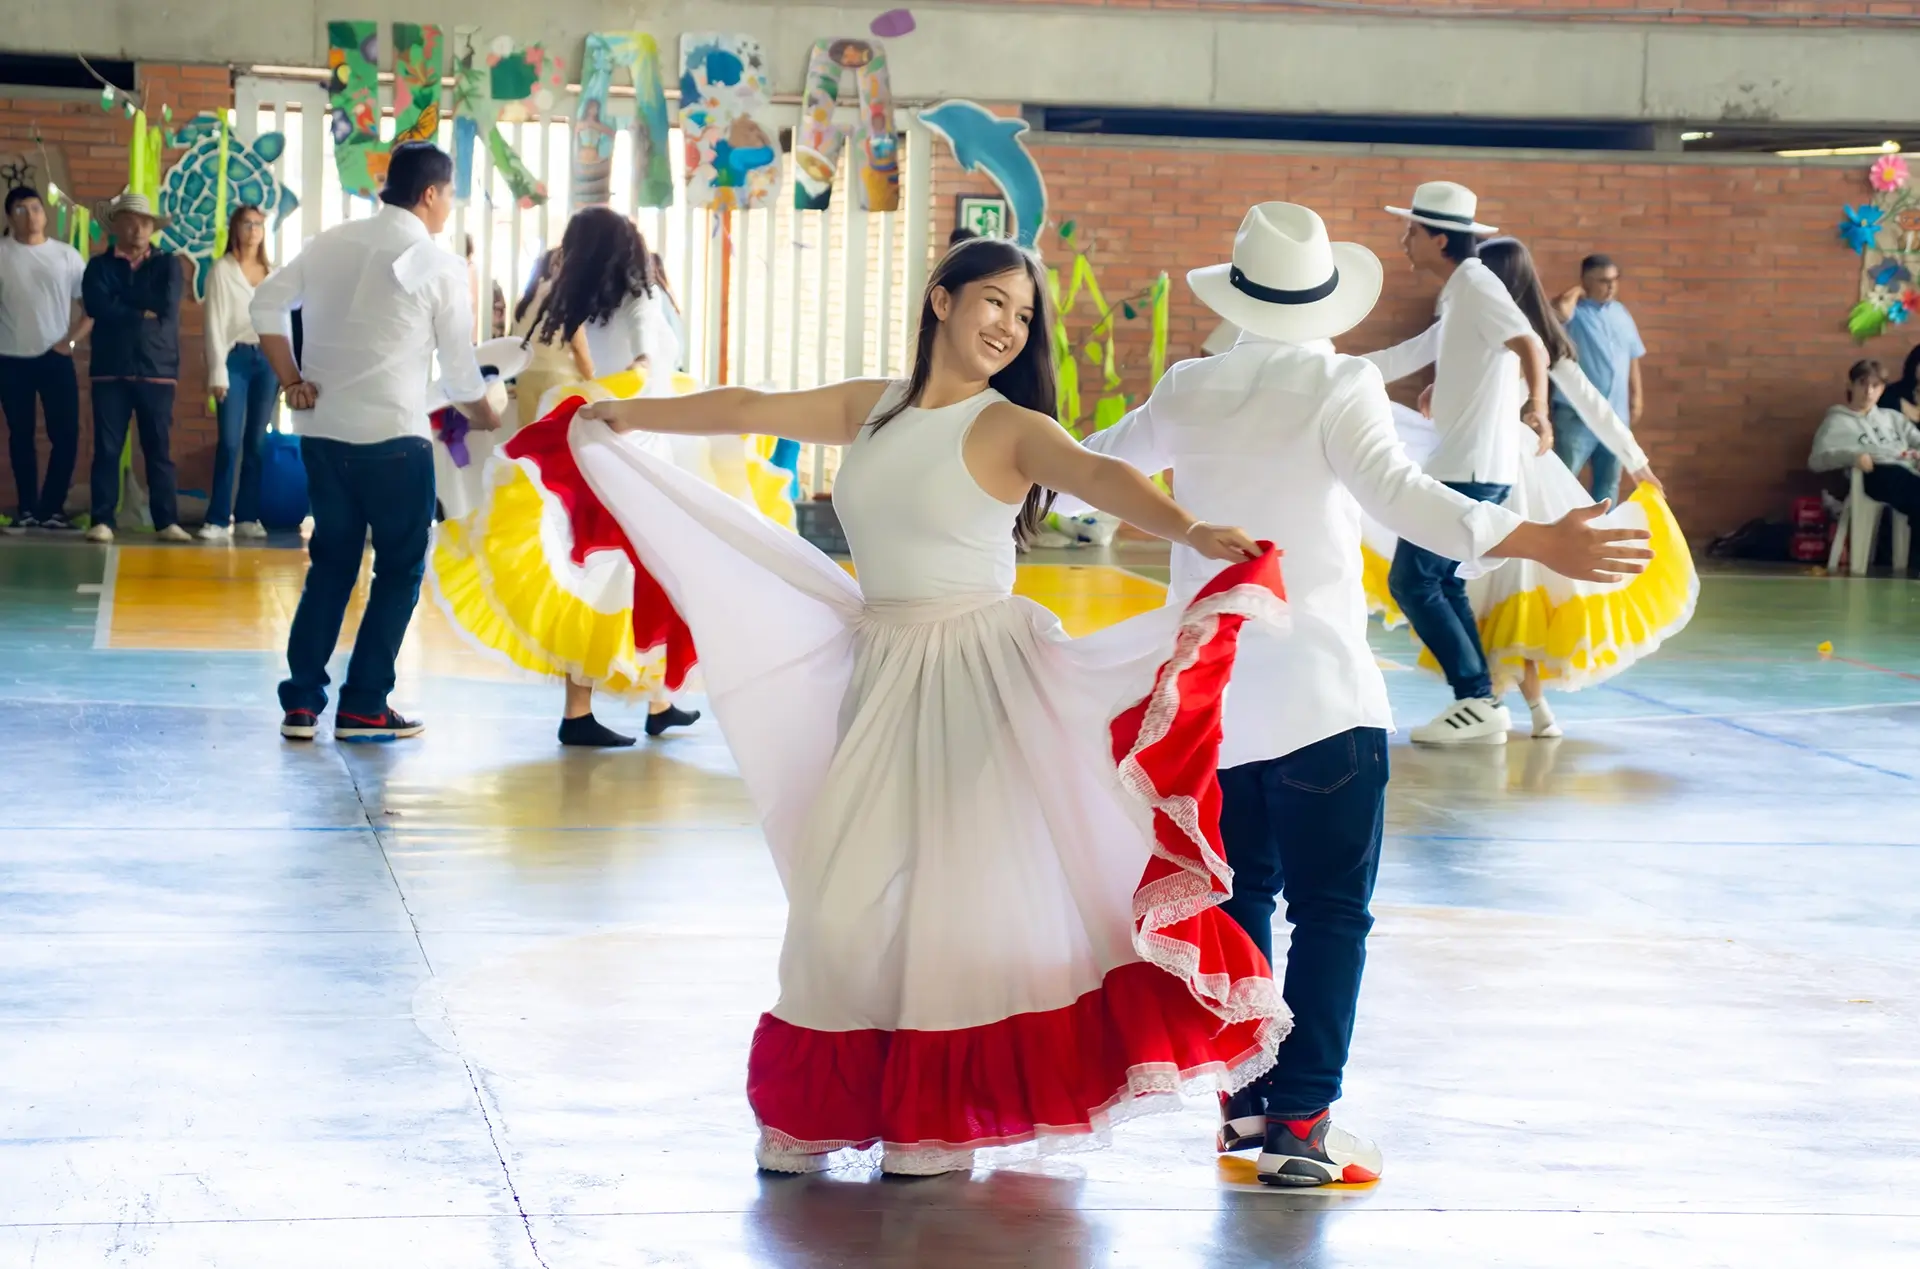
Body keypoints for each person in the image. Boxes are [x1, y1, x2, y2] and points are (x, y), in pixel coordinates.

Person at [567, 237, 1288, 1176]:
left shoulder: (1010, 426)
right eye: (994, 302)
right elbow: (747, 407)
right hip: (883, 662)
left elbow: (1100, 475)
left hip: (979, 674)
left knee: (950, 895)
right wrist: (624, 411)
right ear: (941, 300)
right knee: (842, 890)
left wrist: (1189, 527)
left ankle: (940, 1116)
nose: (1008, 327)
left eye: (1023, 316)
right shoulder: (873, 406)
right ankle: (826, 1104)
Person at [1060, 203, 1652, 1186]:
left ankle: (1245, 1108)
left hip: (1212, 708)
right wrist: (1538, 538)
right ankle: (1303, 1126)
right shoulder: (1339, 383)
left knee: (1243, 897)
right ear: (1321, 299)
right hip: (1323, 702)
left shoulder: (1188, 385)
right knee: (1333, 913)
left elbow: (1084, 478)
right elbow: (1403, 500)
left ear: (1238, 294)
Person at [1362, 237, 1695, 740]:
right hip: (1487, 463)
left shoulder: (1523, 334)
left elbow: (1592, 404)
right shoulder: (1474, 324)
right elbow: (1431, 365)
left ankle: (1495, 704)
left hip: (1506, 471)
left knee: (1501, 587)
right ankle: (1497, 704)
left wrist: (1637, 462)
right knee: (1473, 586)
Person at [251, 141, 502, 742]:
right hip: (394, 438)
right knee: (399, 569)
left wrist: (291, 380)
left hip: (324, 435)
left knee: (331, 565)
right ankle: (365, 704)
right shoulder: (440, 265)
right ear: (432, 194)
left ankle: (302, 705)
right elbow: (462, 372)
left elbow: (265, 303)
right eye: (450, 196)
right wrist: (487, 413)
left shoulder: (332, 241)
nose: (450, 209)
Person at [442, 206, 698, 748]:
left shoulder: (570, 301)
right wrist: (627, 390)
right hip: (639, 454)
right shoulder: (640, 298)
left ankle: (630, 704)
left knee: (598, 575)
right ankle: (649, 701)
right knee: (647, 577)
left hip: (594, 454)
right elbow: (650, 366)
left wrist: (591, 403)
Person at [1364, 181, 1552, 745]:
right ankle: (1481, 702)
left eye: (1412, 232)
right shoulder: (1461, 292)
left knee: (1414, 579)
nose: (1404, 240)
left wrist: (1539, 409)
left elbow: (1531, 345)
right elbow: (1416, 352)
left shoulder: (1475, 283)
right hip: (1466, 463)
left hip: (1470, 467)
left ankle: (1478, 702)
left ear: (1439, 239)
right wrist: (1321, 368)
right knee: (1437, 581)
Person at [82, 191, 187, 543]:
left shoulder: (167, 264)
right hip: (110, 369)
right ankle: (102, 520)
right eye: (131, 221)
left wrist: (122, 304)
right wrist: (140, 311)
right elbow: (97, 306)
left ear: (152, 228)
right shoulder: (98, 266)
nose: (139, 229)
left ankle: (166, 521)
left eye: (145, 223)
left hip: (157, 368)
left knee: (158, 448)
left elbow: (166, 308)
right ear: (118, 226)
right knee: (108, 448)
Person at [0, 186, 89, 533]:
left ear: (45, 213)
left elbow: (90, 308)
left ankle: (51, 509)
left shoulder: (66, 256)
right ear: (10, 218)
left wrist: (69, 342)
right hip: (10, 358)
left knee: (65, 434)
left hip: (55, 358)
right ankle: (26, 508)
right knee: (20, 435)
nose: (31, 215)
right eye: (21, 210)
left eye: (36, 208)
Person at [199, 203, 278, 542]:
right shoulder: (221, 270)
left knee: (256, 443)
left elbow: (284, 323)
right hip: (234, 359)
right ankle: (217, 518)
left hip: (268, 360)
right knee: (230, 442)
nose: (253, 231)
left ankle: (247, 516)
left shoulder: (274, 274)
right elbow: (213, 324)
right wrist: (217, 372)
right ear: (235, 229)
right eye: (247, 224)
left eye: (259, 225)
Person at [1551, 253, 1646, 506]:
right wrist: (1576, 291)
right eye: (1603, 281)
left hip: (1616, 415)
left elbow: (1632, 356)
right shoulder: (1575, 315)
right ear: (1586, 282)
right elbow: (1558, 313)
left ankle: (1603, 534)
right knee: (1564, 479)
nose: (1611, 286)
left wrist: (1636, 398)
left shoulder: (1621, 313)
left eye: (1615, 279)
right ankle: (1561, 538)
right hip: (1575, 416)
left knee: (1608, 483)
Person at [1810, 358, 1920, 535]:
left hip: (1908, 470)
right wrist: (1852, 457)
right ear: (1850, 385)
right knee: (1906, 483)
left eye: (1875, 386)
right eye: (1863, 384)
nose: (1869, 392)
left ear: (1882, 389)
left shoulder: (1893, 418)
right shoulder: (1836, 421)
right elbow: (1816, 460)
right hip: (1874, 473)